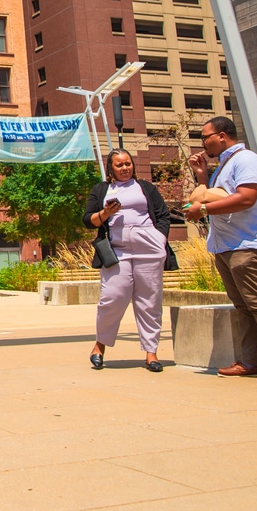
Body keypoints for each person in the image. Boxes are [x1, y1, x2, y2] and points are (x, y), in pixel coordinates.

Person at [185, 116, 257, 384]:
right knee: (243, 306)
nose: (203, 142)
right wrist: (202, 174)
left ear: (222, 136)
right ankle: (251, 361)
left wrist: (204, 210)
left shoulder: (246, 160)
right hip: (226, 245)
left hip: (247, 244)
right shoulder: (225, 165)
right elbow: (216, 194)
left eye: (205, 137)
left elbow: (246, 197)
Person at [82, 149, 171, 373]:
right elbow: (87, 220)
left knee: (150, 301)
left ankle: (151, 352)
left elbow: (162, 215)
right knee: (112, 297)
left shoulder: (146, 188)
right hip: (117, 251)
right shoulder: (102, 190)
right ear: (111, 168)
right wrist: (106, 213)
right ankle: (99, 345)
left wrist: (159, 238)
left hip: (148, 248)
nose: (125, 168)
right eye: (119, 165)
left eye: (128, 164)